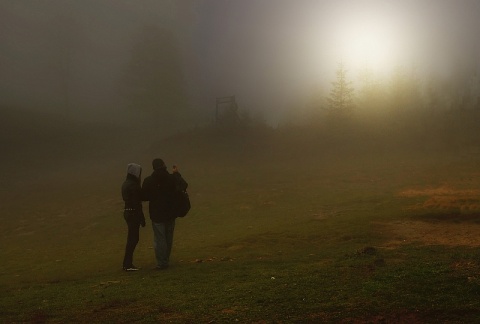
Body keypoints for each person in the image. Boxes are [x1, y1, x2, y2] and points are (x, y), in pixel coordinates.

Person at [142, 158, 187, 270]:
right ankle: (165, 259)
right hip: (171, 212)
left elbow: (144, 196)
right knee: (168, 237)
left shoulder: (149, 180)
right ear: (163, 165)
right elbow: (183, 185)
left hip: (157, 214)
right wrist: (176, 174)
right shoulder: (171, 178)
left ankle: (162, 262)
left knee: (160, 238)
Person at [121, 163, 146, 271]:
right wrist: (142, 218)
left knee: (132, 238)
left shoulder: (126, 183)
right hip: (133, 213)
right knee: (133, 239)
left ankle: (127, 263)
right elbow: (137, 203)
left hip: (127, 212)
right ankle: (127, 264)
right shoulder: (134, 185)